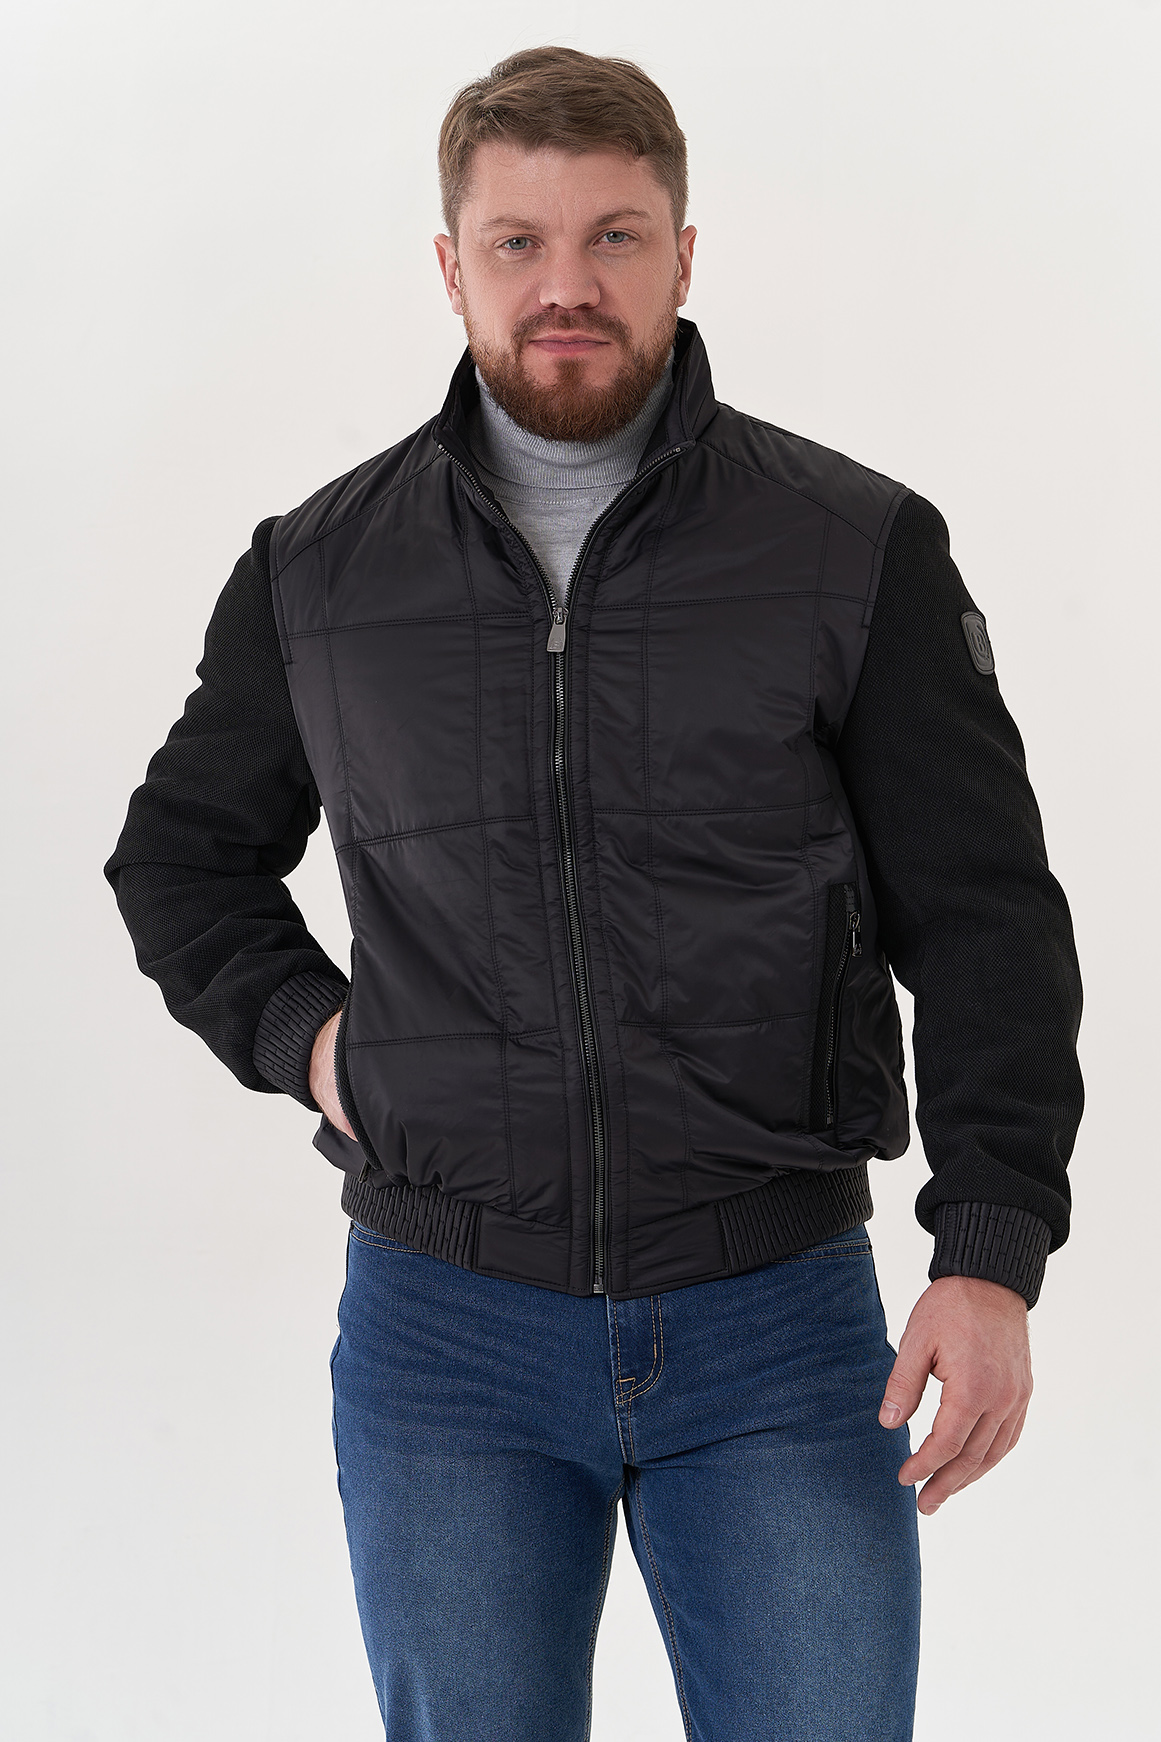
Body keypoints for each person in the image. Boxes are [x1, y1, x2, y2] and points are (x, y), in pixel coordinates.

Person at [104, 44, 1083, 1742]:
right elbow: (180, 858)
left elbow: (988, 915)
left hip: (776, 1322)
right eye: (519, 243)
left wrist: (988, 1251)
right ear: (451, 266)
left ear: (683, 255)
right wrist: (315, 1043)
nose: (566, 285)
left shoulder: (851, 547)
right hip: (445, 1337)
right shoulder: (315, 571)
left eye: (614, 237)